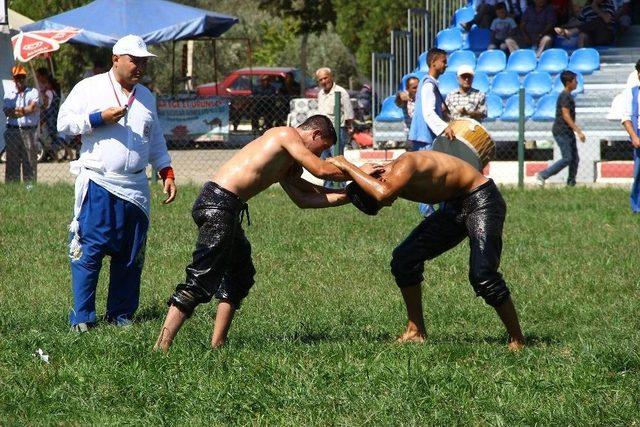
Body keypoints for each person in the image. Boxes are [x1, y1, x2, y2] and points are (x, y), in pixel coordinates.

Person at [153, 115, 352, 352]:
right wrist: (357, 172)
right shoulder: (285, 134)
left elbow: (304, 198)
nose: (320, 155)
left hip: (226, 207)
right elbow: (321, 171)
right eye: (323, 148)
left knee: (239, 275)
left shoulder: (287, 161)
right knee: (201, 279)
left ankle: (218, 345)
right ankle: (160, 347)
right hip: (218, 204)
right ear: (315, 134)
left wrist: (352, 196)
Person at [326, 151, 526, 351]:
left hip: (482, 200)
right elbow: (326, 174)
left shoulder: (404, 164)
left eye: (382, 203)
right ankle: (415, 331)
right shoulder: (382, 176)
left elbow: (382, 193)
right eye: (383, 205)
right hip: (454, 206)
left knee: (483, 276)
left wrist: (346, 163)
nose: (389, 203)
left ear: (379, 180)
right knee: (404, 260)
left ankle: (517, 339)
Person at [57, 35, 177, 332]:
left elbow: (155, 138)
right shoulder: (90, 88)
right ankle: (82, 318)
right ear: (116, 59)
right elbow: (63, 124)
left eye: (144, 61)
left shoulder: (146, 96)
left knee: (130, 255)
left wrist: (166, 170)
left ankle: (120, 316)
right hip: (99, 181)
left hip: (136, 187)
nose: (141, 67)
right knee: (89, 252)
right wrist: (98, 118)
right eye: (135, 60)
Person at [408, 48, 455, 217]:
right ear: (433, 62)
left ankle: (438, 212)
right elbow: (428, 112)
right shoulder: (428, 84)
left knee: (433, 175)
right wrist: (444, 127)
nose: (445, 64)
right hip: (425, 137)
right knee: (428, 176)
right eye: (443, 61)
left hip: (426, 136)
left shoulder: (430, 83)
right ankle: (427, 214)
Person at [536, 71, 586, 187]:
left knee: (574, 159)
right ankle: (543, 174)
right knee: (567, 157)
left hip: (567, 131)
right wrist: (578, 131)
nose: (577, 83)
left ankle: (571, 183)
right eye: (575, 80)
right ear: (568, 83)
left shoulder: (568, 96)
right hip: (561, 131)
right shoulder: (564, 96)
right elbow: (566, 115)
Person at [2, 65, 39, 183]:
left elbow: (32, 108)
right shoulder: (9, 94)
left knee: (30, 161)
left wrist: (17, 110)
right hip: (13, 130)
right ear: (14, 79)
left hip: (29, 131)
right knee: (12, 162)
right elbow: (8, 112)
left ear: (26, 78)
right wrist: (24, 110)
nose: (20, 80)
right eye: (17, 78)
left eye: (22, 77)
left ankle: (30, 188)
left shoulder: (33, 92)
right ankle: (13, 187)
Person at [315, 67, 354, 162]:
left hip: (337, 131)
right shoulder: (320, 94)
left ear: (331, 77)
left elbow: (349, 114)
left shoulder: (341, 92)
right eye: (321, 79)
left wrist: (349, 128)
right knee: (324, 161)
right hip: (323, 132)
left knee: (337, 161)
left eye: (325, 78)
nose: (324, 81)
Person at [620, 60, 640, 213]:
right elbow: (626, 117)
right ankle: (637, 207)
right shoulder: (632, 93)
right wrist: (634, 136)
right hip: (639, 133)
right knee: (639, 173)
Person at [35, 67, 65, 162]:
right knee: (53, 136)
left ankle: (57, 156)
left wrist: (41, 107)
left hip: (50, 116)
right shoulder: (53, 90)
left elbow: (47, 105)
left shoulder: (48, 91)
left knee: (52, 136)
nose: (38, 78)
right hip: (53, 115)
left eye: (38, 76)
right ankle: (61, 154)